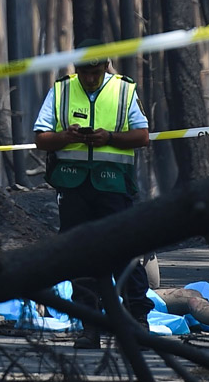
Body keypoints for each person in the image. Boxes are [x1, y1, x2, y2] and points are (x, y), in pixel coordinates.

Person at [33, 51, 154, 349]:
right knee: (80, 255)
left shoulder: (123, 90)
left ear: (106, 67)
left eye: (95, 72)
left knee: (123, 251)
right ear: (76, 69)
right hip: (73, 185)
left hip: (113, 185)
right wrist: (65, 136)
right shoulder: (61, 90)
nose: (89, 79)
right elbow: (41, 136)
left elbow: (142, 136)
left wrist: (110, 137)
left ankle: (138, 321)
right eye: (84, 73)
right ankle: (90, 326)